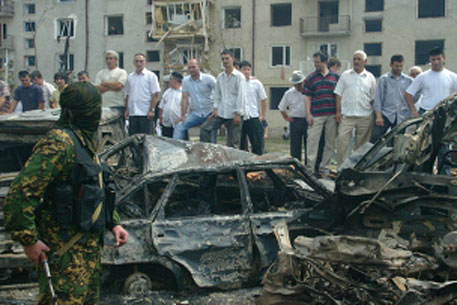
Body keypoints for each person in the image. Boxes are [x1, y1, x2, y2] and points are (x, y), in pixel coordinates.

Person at [4, 82, 128, 304]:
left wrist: (113, 222)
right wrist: (29, 241)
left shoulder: (86, 141)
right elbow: (21, 194)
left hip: (88, 253)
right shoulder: (59, 143)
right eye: (92, 109)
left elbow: (95, 186)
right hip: (64, 254)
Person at [405, 47, 457, 174]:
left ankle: (443, 178)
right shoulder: (423, 77)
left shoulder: (452, 76)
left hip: (445, 117)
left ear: (443, 58)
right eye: (433, 59)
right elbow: (408, 94)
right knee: (424, 149)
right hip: (426, 115)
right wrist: (414, 112)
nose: (436, 62)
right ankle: (424, 177)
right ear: (430, 60)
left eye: (438, 59)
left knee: (443, 148)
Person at [334, 50, 376, 166]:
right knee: (342, 141)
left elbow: (373, 98)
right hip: (347, 115)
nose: (356, 61)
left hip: (365, 116)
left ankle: (357, 169)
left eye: (359, 59)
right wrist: (338, 112)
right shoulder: (345, 75)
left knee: (361, 146)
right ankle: (343, 168)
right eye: (355, 59)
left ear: (365, 62)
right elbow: (338, 94)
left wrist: (375, 115)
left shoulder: (370, 77)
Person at [200, 49, 246, 148]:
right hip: (221, 112)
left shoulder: (239, 77)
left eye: (227, 58)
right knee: (205, 129)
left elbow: (241, 96)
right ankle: (207, 152)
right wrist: (215, 108)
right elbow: (217, 94)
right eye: (223, 59)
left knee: (232, 143)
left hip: (234, 113)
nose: (225, 61)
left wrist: (238, 113)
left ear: (232, 59)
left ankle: (232, 162)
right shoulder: (220, 77)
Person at [303, 51, 339, 175]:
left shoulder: (336, 77)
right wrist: (308, 114)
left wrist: (339, 113)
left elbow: (339, 96)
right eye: (314, 62)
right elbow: (307, 96)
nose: (315, 64)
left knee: (330, 143)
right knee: (312, 141)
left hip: (332, 114)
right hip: (316, 115)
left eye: (317, 62)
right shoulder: (311, 78)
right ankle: (310, 168)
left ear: (325, 62)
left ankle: (325, 168)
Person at [370, 55, 414, 144]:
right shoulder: (384, 79)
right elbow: (378, 99)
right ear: (391, 65)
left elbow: (414, 97)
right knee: (375, 139)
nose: (398, 68)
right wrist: (378, 117)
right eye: (396, 66)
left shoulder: (408, 81)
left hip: (401, 116)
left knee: (398, 142)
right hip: (386, 114)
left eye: (400, 66)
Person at [173, 59, 216, 140]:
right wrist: (183, 115)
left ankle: (212, 151)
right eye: (189, 68)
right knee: (179, 125)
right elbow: (184, 98)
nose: (191, 70)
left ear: (198, 67)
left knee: (211, 135)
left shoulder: (209, 79)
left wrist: (216, 109)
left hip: (209, 113)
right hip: (196, 114)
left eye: (193, 67)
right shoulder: (186, 81)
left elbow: (219, 92)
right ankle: (177, 149)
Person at [124, 53, 160, 135]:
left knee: (146, 138)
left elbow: (155, 94)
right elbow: (128, 94)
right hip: (133, 113)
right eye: (137, 61)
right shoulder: (130, 77)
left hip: (145, 113)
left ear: (145, 62)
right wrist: (127, 109)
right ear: (134, 63)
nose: (139, 63)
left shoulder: (151, 76)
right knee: (133, 138)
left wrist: (152, 110)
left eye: (141, 61)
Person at [239, 60, 268, 155]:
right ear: (239, 70)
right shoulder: (237, 82)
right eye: (244, 69)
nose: (246, 72)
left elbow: (264, 99)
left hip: (253, 115)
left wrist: (263, 115)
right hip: (240, 116)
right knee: (241, 143)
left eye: (248, 69)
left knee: (257, 142)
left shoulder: (256, 83)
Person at [278, 70, 307, 162]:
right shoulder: (289, 93)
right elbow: (281, 107)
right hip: (295, 121)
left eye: (299, 84)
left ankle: (309, 165)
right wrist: (286, 118)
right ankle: (295, 165)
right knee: (295, 146)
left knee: (309, 146)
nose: (297, 86)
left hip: (308, 120)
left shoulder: (309, 92)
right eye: (295, 85)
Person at [159, 72, 184, 138]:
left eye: (170, 79)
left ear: (175, 80)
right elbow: (161, 106)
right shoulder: (167, 92)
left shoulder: (184, 93)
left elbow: (189, 109)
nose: (169, 81)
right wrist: (161, 118)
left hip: (179, 125)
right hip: (166, 125)